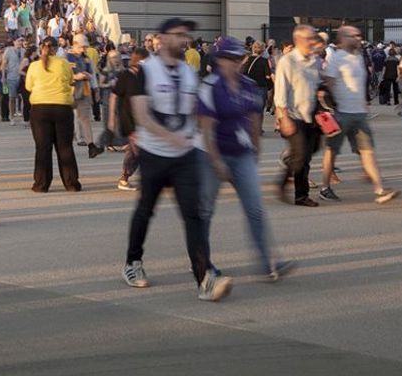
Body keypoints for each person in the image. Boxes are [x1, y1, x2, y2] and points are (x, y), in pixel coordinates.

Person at [124, 17, 228, 301]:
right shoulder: (146, 71)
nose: (184, 39)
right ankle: (133, 262)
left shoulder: (188, 72)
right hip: (154, 154)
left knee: (193, 215)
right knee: (145, 210)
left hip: (184, 156)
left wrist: (205, 139)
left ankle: (204, 279)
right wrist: (169, 137)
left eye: (186, 35)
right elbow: (141, 114)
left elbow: (196, 110)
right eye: (178, 34)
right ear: (162, 38)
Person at [199, 36, 291, 280]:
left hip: (242, 154)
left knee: (255, 209)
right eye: (231, 58)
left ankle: (267, 262)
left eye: (240, 58)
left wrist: (256, 149)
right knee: (205, 211)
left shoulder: (248, 85)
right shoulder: (210, 86)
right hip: (214, 154)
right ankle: (201, 261)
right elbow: (206, 128)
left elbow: (253, 119)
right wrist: (216, 160)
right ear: (220, 60)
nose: (237, 62)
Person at [319, 25, 397, 203]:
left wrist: (364, 105)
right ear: (343, 38)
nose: (358, 38)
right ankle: (325, 187)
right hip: (341, 113)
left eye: (359, 35)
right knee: (331, 151)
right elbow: (328, 85)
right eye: (353, 36)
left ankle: (380, 189)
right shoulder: (336, 57)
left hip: (359, 114)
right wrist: (328, 110)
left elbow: (360, 85)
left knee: (367, 151)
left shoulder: (359, 56)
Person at [273, 25, 325, 205]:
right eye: (310, 38)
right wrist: (283, 118)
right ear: (299, 40)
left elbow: (318, 85)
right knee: (302, 156)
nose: (314, 42)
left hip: (312, 116)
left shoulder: (315, 61)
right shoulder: (287, 62)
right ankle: (301, 195)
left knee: (310, 151)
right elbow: (280, 93)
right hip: (294, 116)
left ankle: (289, 167)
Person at [24, 35, 80, 192]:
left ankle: (41, 184)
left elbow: (28, 87)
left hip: (40, 107)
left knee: (42, 148)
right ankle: (71, 183)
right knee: (65, 147)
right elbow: (70, 81)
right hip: (62, 106)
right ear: (56, 49)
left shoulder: (34, 66)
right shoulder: (63, 64)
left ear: (41, 48)